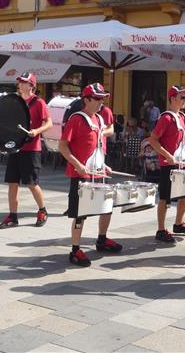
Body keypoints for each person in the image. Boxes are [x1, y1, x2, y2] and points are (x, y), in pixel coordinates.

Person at [58, 83, 122, 266]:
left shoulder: (100, 121)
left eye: (102, 98)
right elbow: (62, 146)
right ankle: (75, 250)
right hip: (81, 175)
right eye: (97, 98)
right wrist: (77, 165)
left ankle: (102, 239)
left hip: (98, 172)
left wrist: (104, 166)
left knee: (106, 207)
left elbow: (98, 148)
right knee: (80, 214)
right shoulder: (76, 119)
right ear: (86, 99)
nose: (101, 102)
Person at [0, 72, 53, 229]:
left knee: (31, 183)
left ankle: (42, 210)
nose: (20, 84)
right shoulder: (16, 101)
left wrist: (37, 131)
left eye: (24, 82)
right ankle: (12, 216)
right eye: (20, 82)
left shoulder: (38, 102)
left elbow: (49, 123)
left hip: (31, 149)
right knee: (12, 183)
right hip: (15, 147)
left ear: (31, 86)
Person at [147, 86, 185, 243]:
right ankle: (161, 229)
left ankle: (178, 223)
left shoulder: (183, 117)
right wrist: (167, 156)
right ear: (172, 99)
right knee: (165, 198)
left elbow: (181, 143)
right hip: (169, 164)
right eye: (182, 97)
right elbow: (153, 139)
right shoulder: (166, 118)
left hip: (182, 162)